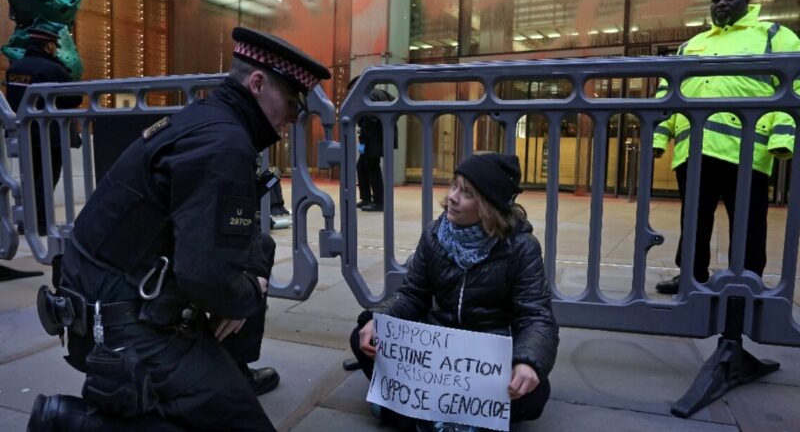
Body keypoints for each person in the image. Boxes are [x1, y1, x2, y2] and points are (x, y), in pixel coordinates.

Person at [29, 27, 330, 431]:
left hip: (108, 299)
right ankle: (72, 423)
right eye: (291, 102)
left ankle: (223, 372)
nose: (294, 116)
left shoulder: (209, 122)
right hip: (122, 327)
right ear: (257, 83)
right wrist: (245, 294)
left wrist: (248, 279)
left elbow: (240, 235)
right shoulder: (224, 144)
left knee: (255, 257)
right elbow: (206, 277)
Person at [350, 153, 559, 431]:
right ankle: (452, 416)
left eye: (467, 193)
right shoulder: (434, 235)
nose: (453, 197)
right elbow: (413, 295)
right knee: (363, 336)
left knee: (535, 393)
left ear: (488, 206)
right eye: (454, 186)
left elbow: (536, 317)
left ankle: (413, 412)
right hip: (438, 352)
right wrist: (379, 318)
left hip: (488, 356)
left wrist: (527, 363)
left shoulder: (521, 247)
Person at [653, 0, 800, 295]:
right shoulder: (693, 44)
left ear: (748, 1)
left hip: (746, 148)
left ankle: (746, 280)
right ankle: (691, 276)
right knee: (693, 218)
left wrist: (782, 136)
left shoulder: (774, 35)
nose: (721, 3)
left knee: (748, 221)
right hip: (694, 147)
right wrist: (659, 136)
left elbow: (795, 86)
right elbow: (667, 93)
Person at [5, 26, 83, 234]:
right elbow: (75, 97)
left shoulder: (16, 69)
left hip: (24, 133)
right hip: (50, 134)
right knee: (47, 179)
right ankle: (41, 223)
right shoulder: (53, 69)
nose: (56, 49)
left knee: (28, 177)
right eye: (54, 45)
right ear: (48, 45)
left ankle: (26, 221)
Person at [348, 76, 394, 212]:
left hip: (373, 139)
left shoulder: (368, 95)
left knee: (372, 168)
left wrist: (364, 135)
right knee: (362, 166)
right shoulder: (381, 93)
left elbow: (370, 119)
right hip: (380, 137)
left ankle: (379, 202)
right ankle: (366, 198)